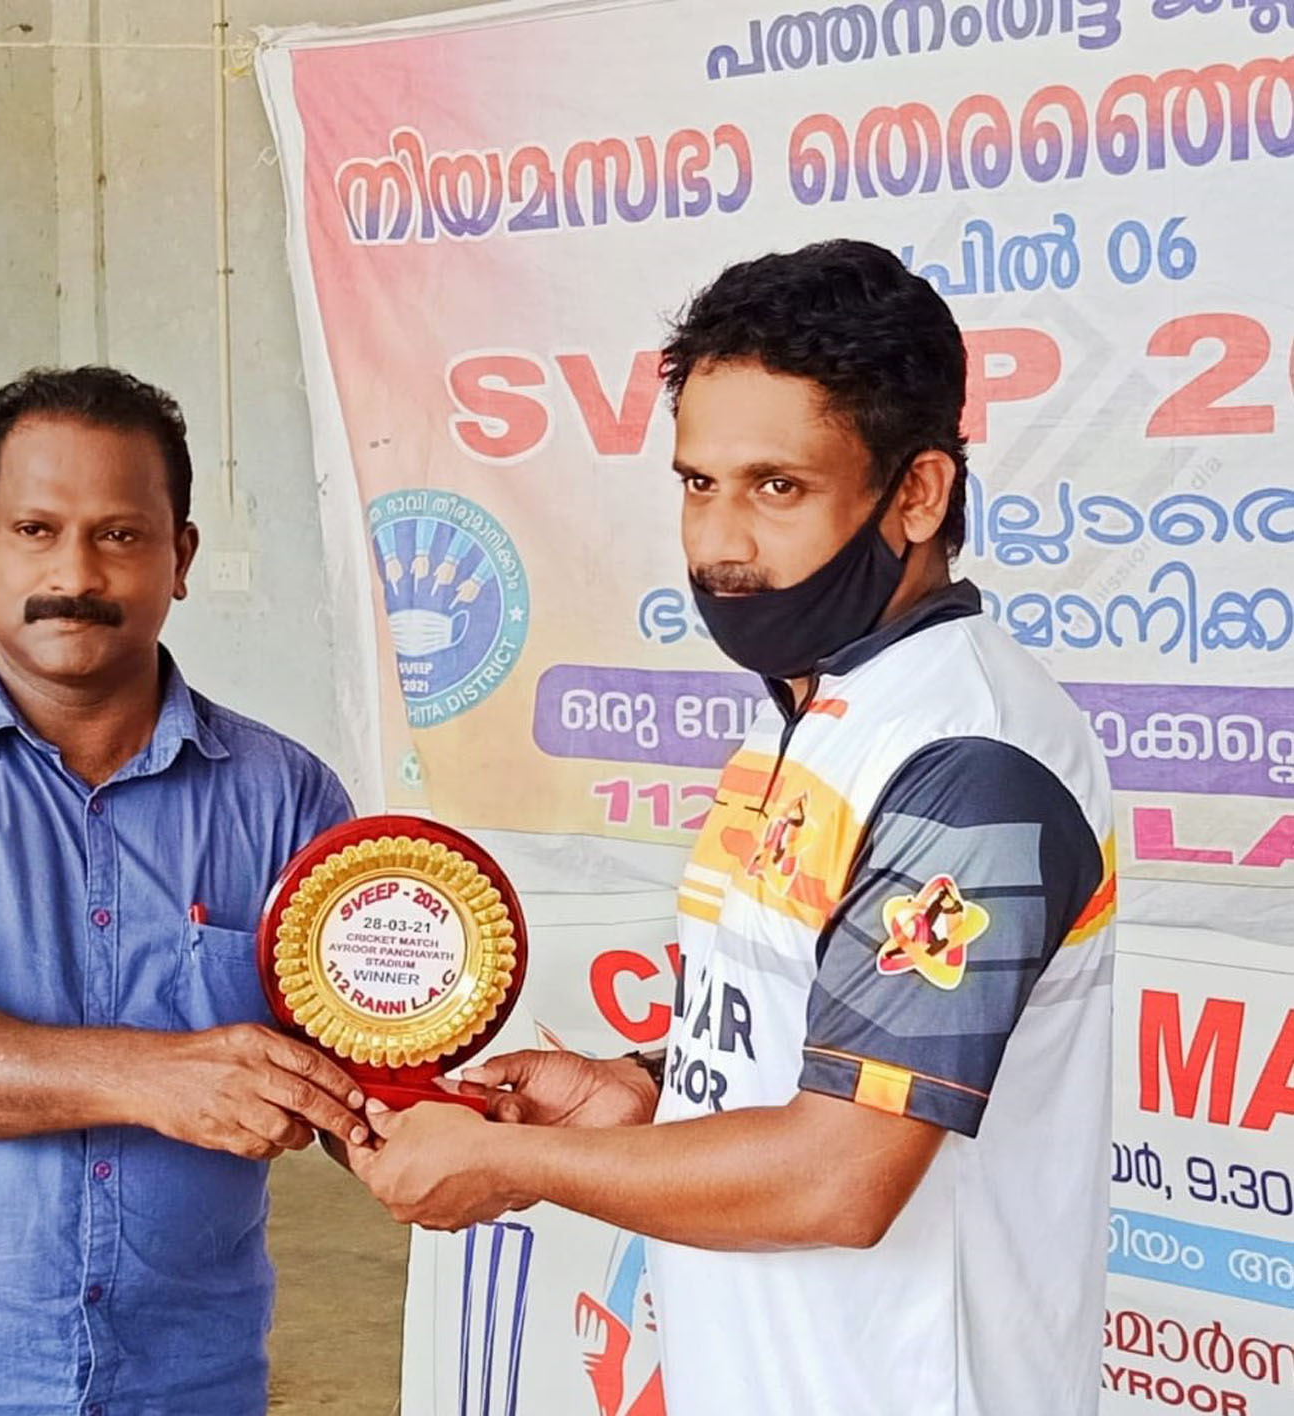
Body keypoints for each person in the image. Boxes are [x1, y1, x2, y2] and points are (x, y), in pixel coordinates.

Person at [351, 242, 1116, 1416]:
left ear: (918, 494)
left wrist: (512, 1161)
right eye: (698, 484)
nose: (718, 546)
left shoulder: (973, 765)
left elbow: (839, 1176)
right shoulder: (814, 709)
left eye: (776, 487)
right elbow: (820, 1053)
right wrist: (637, 1090)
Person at [0, 367, 369, 1415]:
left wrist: (468, 1128)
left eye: (119, 535)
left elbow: (348, 1057)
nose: (74, 572)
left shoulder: (288, 797)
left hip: (191, 1385)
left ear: (180, 557)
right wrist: (157, 1076)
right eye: (35, 530)